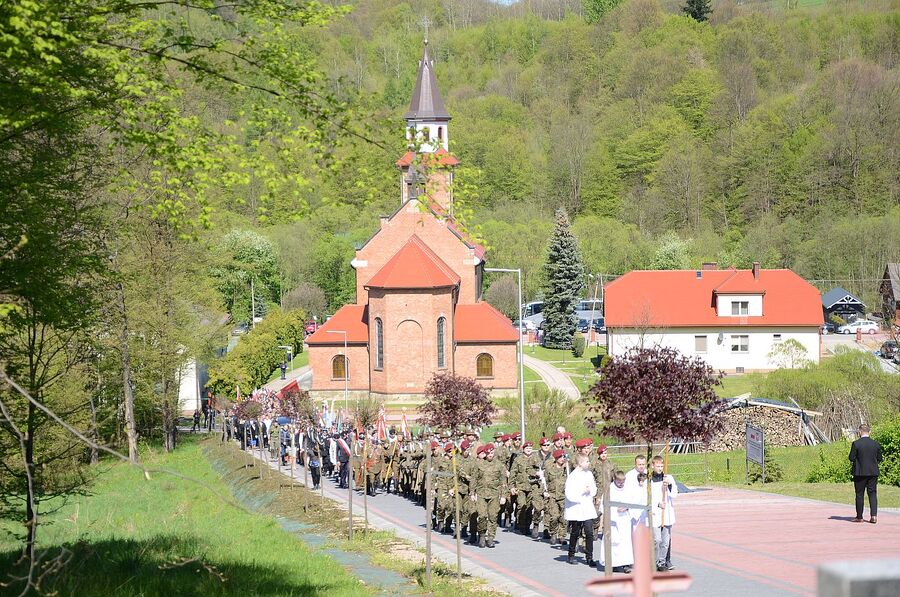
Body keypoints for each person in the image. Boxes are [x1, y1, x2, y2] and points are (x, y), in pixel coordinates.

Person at [565, 454, 597, 567]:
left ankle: (589, 556)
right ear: (580, 463)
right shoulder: (573, 476)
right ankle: (571, 554)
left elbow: (594, 487)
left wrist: (590, 491)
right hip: (577, 508)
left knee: (589, 532)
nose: (589, 463)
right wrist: (582, 491)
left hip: (587, 506)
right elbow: (569, 493)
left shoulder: (589, 474)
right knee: (575, 532)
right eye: (587, 461)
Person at [601, 470, 634, 573]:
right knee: (614, 542)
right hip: (613, 520)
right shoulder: (609, 489)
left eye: (623, 481)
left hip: (625, 519)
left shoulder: (628, 489)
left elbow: (633, 501)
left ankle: (626, 564)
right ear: (614, 479)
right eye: (619, 481)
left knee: (626, 542)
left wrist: (627, 507)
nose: (621, 483)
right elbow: (604, 505)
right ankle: (613, 563)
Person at [849, 423, 883, 524]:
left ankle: (859, 517)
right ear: (869, 432)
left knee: (859, 494)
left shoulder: (856, 443)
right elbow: (880, 458)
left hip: (860, 473)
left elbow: (851, 458)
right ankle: (874, 516)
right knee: (872, 493)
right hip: (873, 472)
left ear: (859, 432)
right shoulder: (876, 444)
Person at [650, 455, 678, 571]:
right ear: (653, 466)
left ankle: (662, 562)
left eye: (662, 466)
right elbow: (648, 497)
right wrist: (657, 504)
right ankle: (654, 561)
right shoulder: (649, 480)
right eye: (658, 466)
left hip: (666, 514)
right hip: (656, 513)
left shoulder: (668, 478)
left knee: (665, 541)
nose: (660, 468)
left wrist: (669, 485)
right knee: (657, 539)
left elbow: (674, 494)